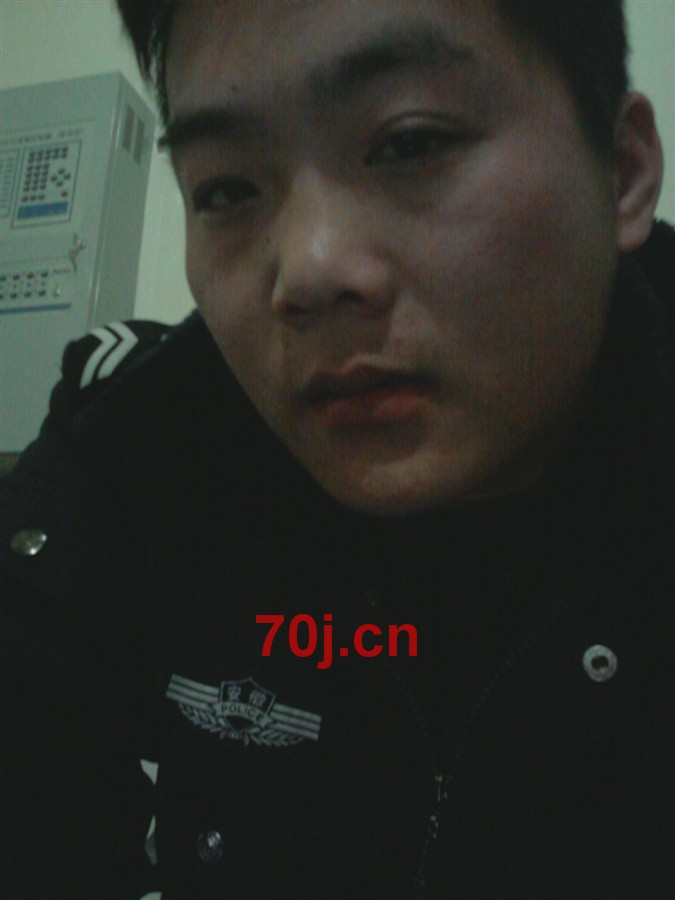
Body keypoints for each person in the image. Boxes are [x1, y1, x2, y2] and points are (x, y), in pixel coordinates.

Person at [1, 1, 673, 897]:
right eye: (226, 190)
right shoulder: (133, 451)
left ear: (621, 171)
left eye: (409, 142)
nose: (308, 272)